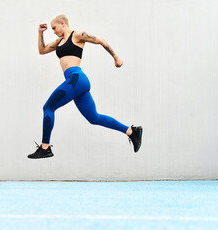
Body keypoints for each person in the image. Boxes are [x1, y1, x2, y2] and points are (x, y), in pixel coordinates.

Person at [28, 14, 142, 159]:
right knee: (94, 118)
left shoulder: (77, 35)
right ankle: (132, 132)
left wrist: (116, 57)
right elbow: (42, 50)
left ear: (62, 23)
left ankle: (45, 148)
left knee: (48, 107)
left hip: (76, 79)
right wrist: (40, 33)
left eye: (54, 28)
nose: (54, 31)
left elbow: (100, 40)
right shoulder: (59, 41)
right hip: (76, 82)